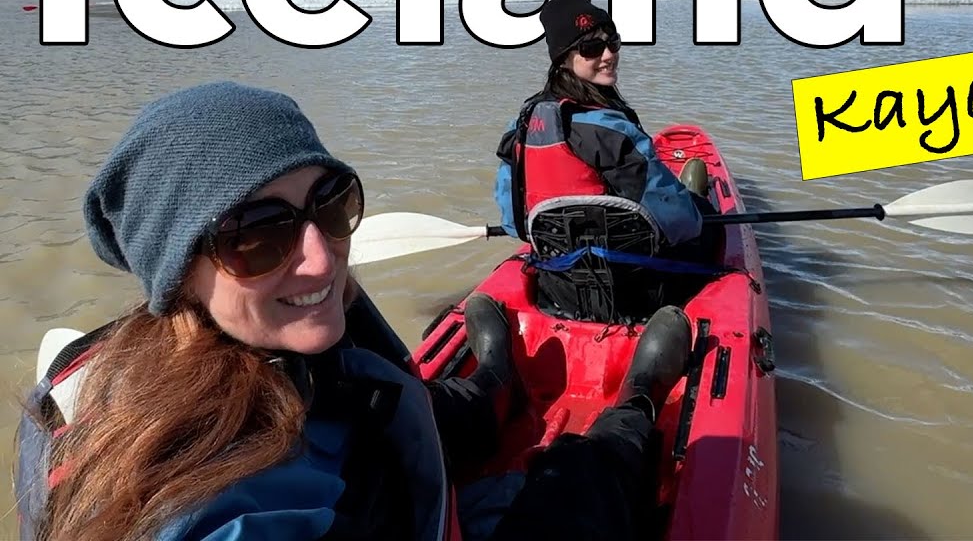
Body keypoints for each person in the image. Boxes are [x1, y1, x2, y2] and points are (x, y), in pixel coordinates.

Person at [13, 81, 694, 541]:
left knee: (424, 406)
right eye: (258, 233)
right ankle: (637, 400)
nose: (320, 256)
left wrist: (274, 256)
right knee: (582, 478)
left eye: (333, 202)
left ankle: (494, 381)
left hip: (369, 452)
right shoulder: (233, 499)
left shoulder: (179, 344)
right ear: (178, 273)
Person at [493, 0, 724, 321]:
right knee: (706, 219)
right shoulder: (612, 130)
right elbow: (679, 221)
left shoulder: (523, 123)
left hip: (558, 283)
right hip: (633, 286)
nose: (608, 55)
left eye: (612, 42)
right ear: (563, 58)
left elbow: (512, 221)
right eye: (591, 48)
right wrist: (700, 213)